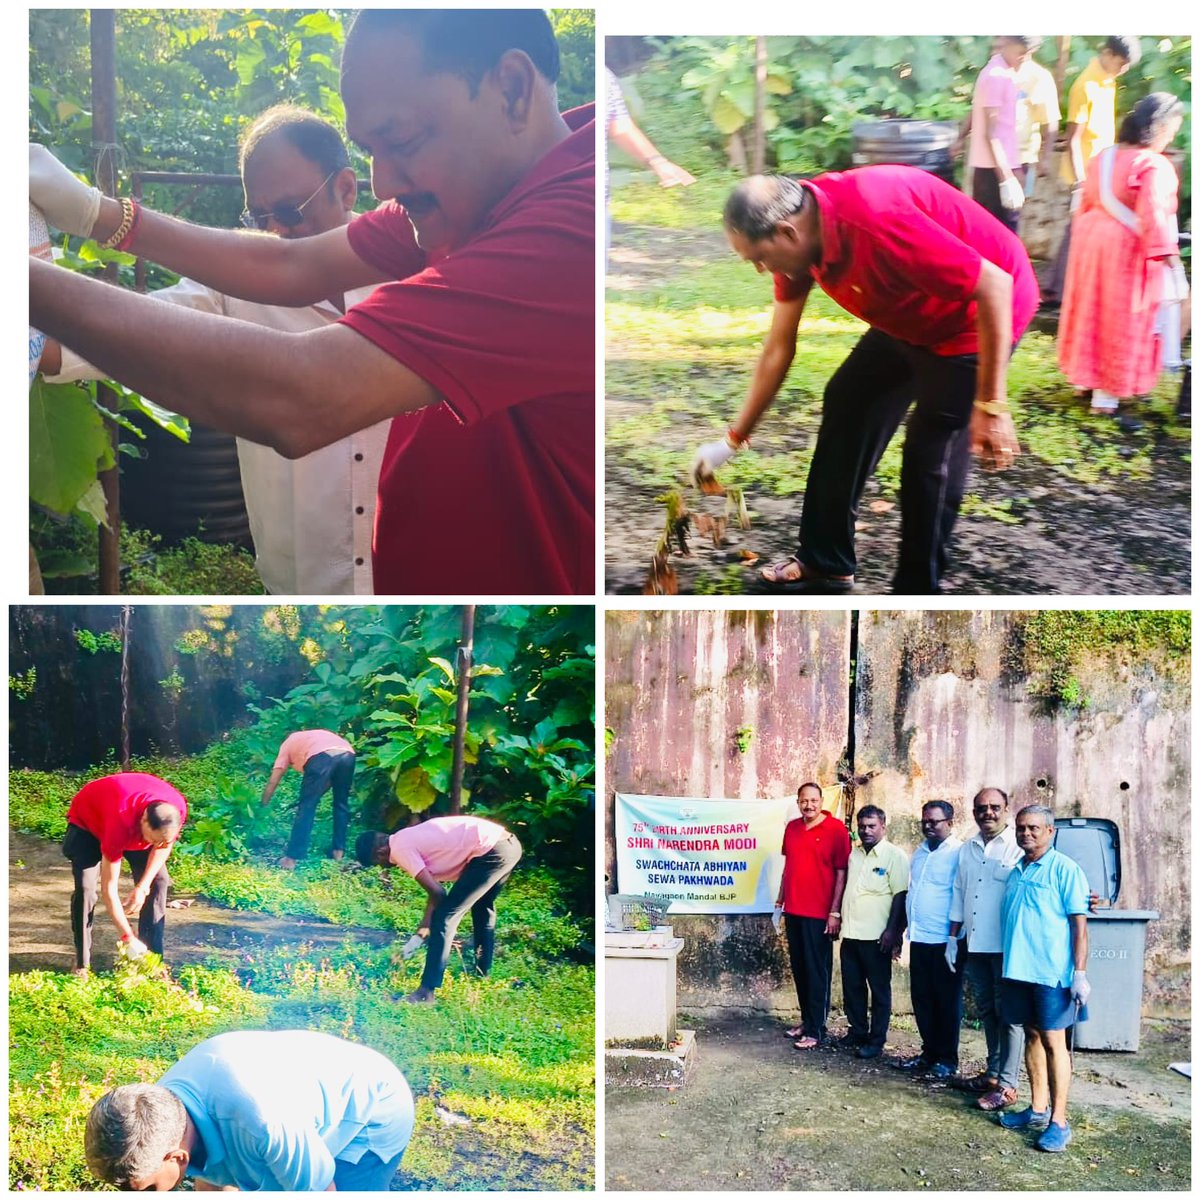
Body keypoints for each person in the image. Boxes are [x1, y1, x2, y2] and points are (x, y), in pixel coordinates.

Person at [29, 9, 594, 595]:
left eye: (400, 140)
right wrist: (95, 213)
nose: (386, 184)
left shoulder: (574, 228)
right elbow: (290, 265)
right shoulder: (480, 192)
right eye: (371, 149)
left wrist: (23, 282)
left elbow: (302, 396)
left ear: (512, 89)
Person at [40, 106, 388, 596]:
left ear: (347, 189)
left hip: (419, 573)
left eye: (290, 211)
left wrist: (94, 215)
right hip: (298, 582)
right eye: (258, 216)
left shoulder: (419, 273)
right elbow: (116, 337)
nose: (275, 232)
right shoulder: (233, 288)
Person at [695, 168, 1038, 594]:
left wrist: (991, 405)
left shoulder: (876, 221)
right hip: (909, 309)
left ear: (786, 233)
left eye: (758, 260)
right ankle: (826, 561)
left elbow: (995, 285)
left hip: (972, 319)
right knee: (849, 398)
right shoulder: (801, 239)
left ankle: (918, 592)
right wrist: (733, 440)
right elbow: (778, 347)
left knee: (929, 452)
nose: (761, 271)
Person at [84, 1030, 415, 1190]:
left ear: (177, 1157)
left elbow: (321, 1191)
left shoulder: (263, 1124)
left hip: (370, 1113)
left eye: (148, 1191)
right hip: (292, 1105)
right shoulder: (159, 1113)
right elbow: (213, 1179)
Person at [1057, 93, 1187, 413]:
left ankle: (1083, 382)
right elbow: (1154, 217)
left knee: (1090, 309)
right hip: (1125, 250)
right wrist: (1174, 265)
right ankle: (1106, 396)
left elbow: (1084, 200)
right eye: (1171, 131)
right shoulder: (1153, 165)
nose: (1170, 138)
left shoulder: (1104, 156)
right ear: (1158, 128)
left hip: (1090, 240)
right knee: (1120, 317)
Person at [996, 804, 1091, 1152]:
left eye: (1034, 828)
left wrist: (1079, 974)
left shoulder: (1065, 870)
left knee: (1054, 1041)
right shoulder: (1017, 869)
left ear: (1050, 831)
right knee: (1031, 1035)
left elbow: (1080, 927)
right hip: (1018, 970)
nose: (1027, 834)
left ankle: (1059, 1122)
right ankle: (1037, 1109)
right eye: (1021, 828)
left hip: (1052, 974)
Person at [356, 814, 523, 1003]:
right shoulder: (406, 837)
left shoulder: (400, 849)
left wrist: (422, 934)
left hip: (491, 851)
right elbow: (433, 892)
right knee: (482, 908)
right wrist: (419, 935)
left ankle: (426, 993)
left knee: (445, 918)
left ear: (379, 852)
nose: (384, 867)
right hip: (507, 845)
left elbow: (438, 894)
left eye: (378, 863)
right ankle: (482, 973)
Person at [1045, 36, 1142, 304]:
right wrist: (1081, 181)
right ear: (1108, 54)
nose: (1122, 70)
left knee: (1080, 232)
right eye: (1121, 64)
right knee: (1076, 232)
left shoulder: (1107, 81)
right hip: (1084, 173)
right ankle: (1058, 291)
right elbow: (1073, 140)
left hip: (1102, 172)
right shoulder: (1085, 85)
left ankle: (1061, 288)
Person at [947, 786, 1025, 1112]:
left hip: (1006, 948)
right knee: (987, 1012)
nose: (988, 813)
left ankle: (1008, 1086)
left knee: (1009, 1016)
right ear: (974, 812)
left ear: (1006, 809)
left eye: (994, 807)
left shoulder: (1019, 848)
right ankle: (993, 1075)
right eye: (981, 808)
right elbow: (959, 891)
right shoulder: (968, 848)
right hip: (975, 945)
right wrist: (953, 937)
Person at [61, 772, 187, 973]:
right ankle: (81, 963)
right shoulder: (119, 823)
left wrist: (143, 886)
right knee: (86, 890)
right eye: (152, 840)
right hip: (89, 823)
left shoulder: (175, 809)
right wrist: (127, 937)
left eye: (162, 841)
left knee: (159, 881)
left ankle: (151, 962)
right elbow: (109, 889)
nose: (156, 845)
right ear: (144, 820)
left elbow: (163, 845)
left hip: (131, 824)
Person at [775, 781, 851, 1049]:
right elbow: (789, 867)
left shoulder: (836, 830)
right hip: (793, 910)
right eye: (804, 801)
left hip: (820, 913)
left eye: (814, 801)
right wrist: (779, 901)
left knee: (817, 971)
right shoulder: (792, 828)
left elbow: (842, 872)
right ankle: (806, 1021)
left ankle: (817, 1030)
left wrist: (835, 911)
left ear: (822, 802)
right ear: (798, 802)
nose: (809, 805)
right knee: (800, 969)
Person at [897, 801, 964, 1079]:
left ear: (949, 822)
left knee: (946, 1001)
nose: (927, 826)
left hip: (945, 941)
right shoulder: (921, 852)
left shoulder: (959, 853)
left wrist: (953, 937)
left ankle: (947, 1059)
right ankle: (930, 1052)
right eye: (924, 821)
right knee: (922, 999)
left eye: (934, 822)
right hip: (921, 938)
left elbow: (960, 895)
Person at [838, 805, 908, 1059]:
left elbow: (901, 895)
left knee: (879, 990)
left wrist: (893, 932)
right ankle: (857, 1032)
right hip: (851, 933)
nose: (866, 830)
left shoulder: (894, 856)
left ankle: (876, 1041)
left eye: (872, 826)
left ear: (883, 827)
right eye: (862, 826)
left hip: (878, 937)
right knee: (852, 987)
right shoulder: (854, 855)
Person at [261, 729, 356, 869]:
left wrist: (263, 804)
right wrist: (314, 796)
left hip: (321, 756)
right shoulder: (312, 737)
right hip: (348, 754)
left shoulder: (287, 744)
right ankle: (338, 854)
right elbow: (329, 779)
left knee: (306, 808)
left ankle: (290, 859)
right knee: (341, 804)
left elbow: (274, 780)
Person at [967, 37, 1035, 231]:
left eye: (1028, 53)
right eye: (1021, 52)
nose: (1023, 58)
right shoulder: (996, 75)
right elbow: (992, 133)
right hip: (991, 170)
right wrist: (1006, 178)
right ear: (1007, 43)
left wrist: (1014, 170)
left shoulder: (1007, 73)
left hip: (1003, 165)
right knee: (995, 235)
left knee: (1005, 233)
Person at [1014, 42, 1060, 197]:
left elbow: (1050, 120)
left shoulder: (1039, 77)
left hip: (1022, 158)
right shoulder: (998, 70)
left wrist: (1045, 157)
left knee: (1013, 208)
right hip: (993, 155)